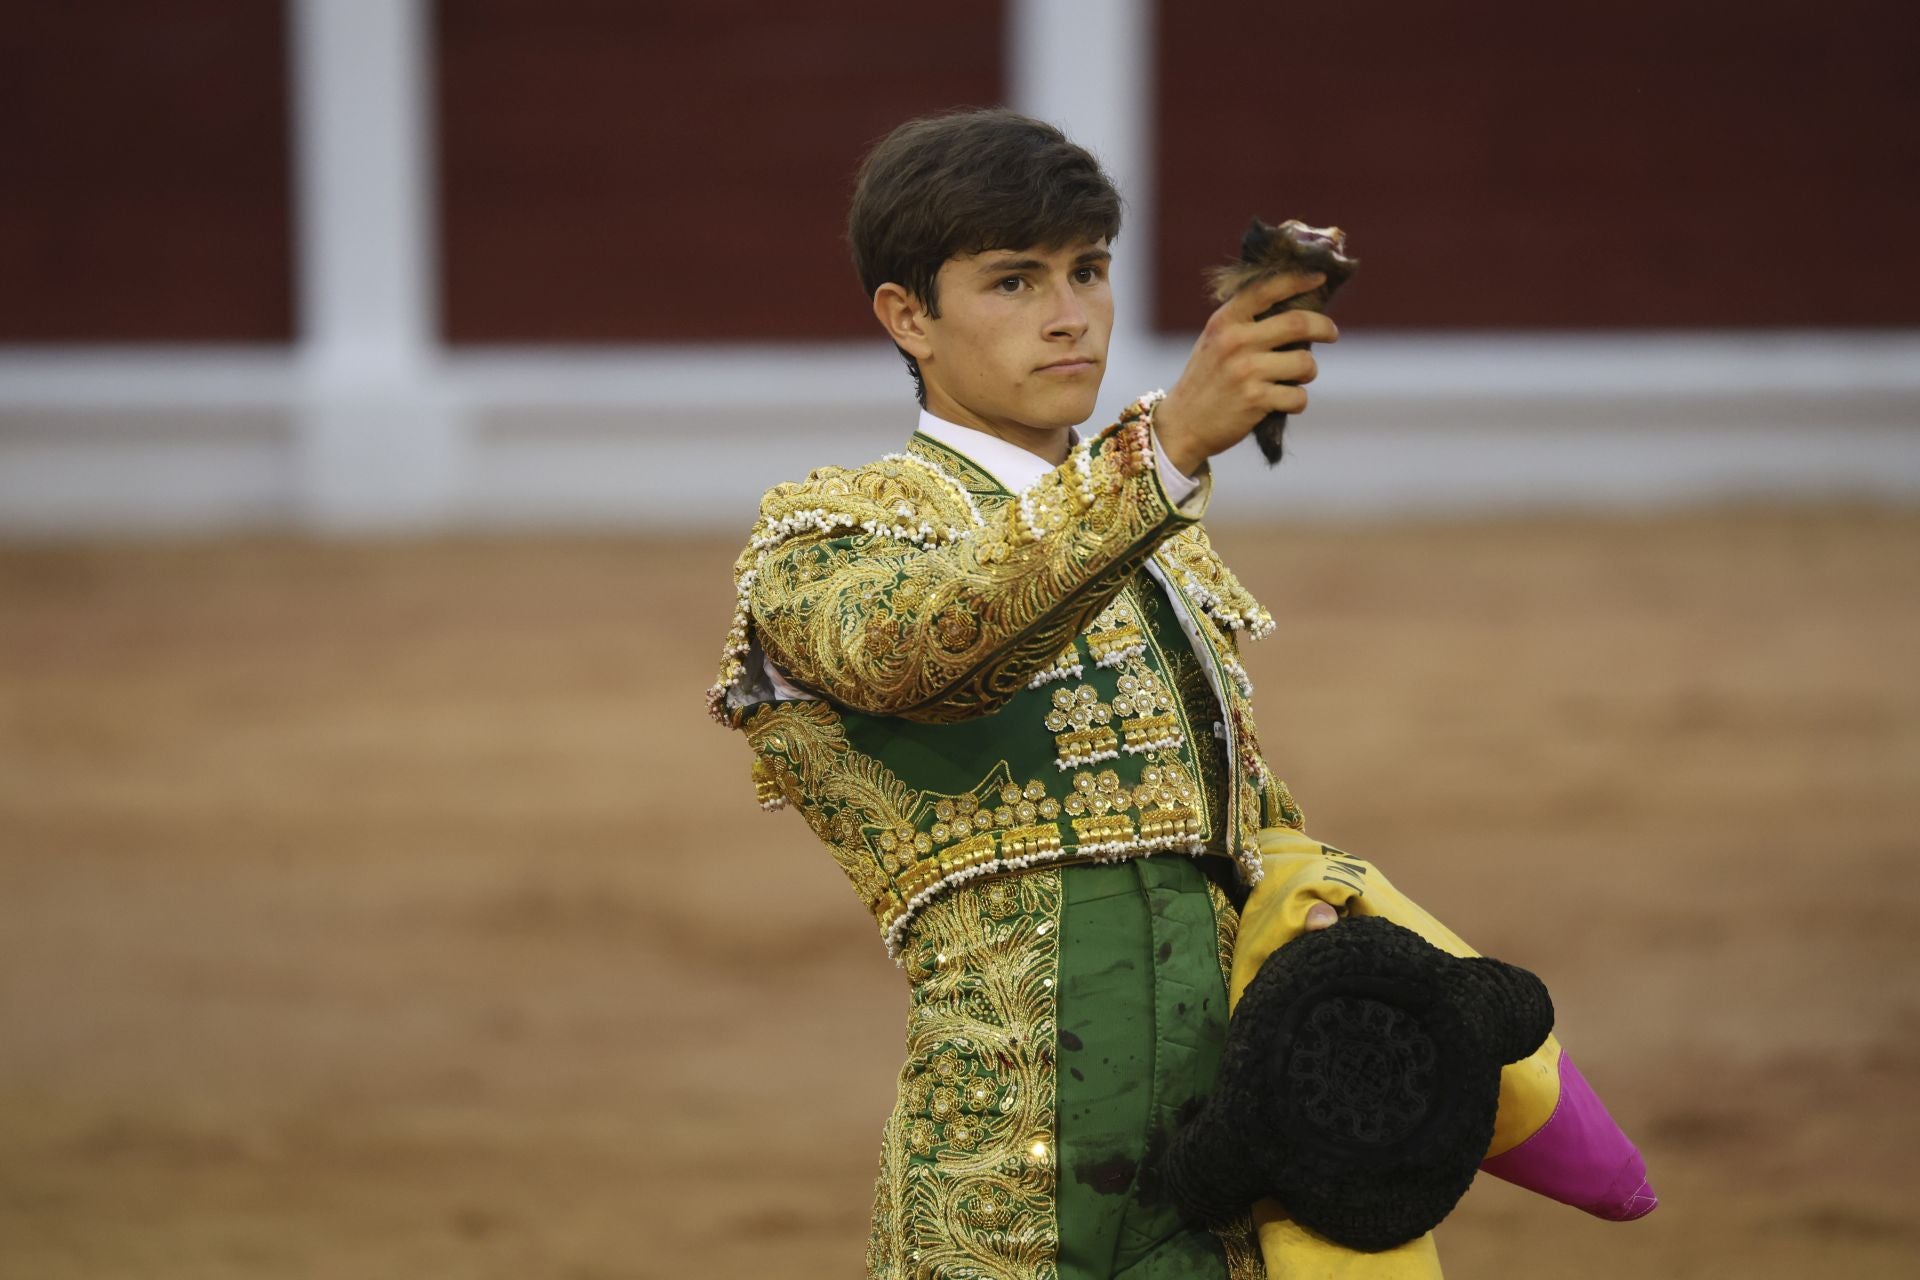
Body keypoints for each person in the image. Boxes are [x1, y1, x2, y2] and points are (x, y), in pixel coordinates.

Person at [708, 109, 1649, 1280]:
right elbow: (918, 647)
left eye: (1087, 271)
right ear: (909, 315)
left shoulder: (1160, 548)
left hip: (1231, 1140)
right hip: (1013, 1159)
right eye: (1013, 280)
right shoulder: (832, 532)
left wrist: (1301, 911)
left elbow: (1240, 812)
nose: (1069, 315)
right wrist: (1161, 449)